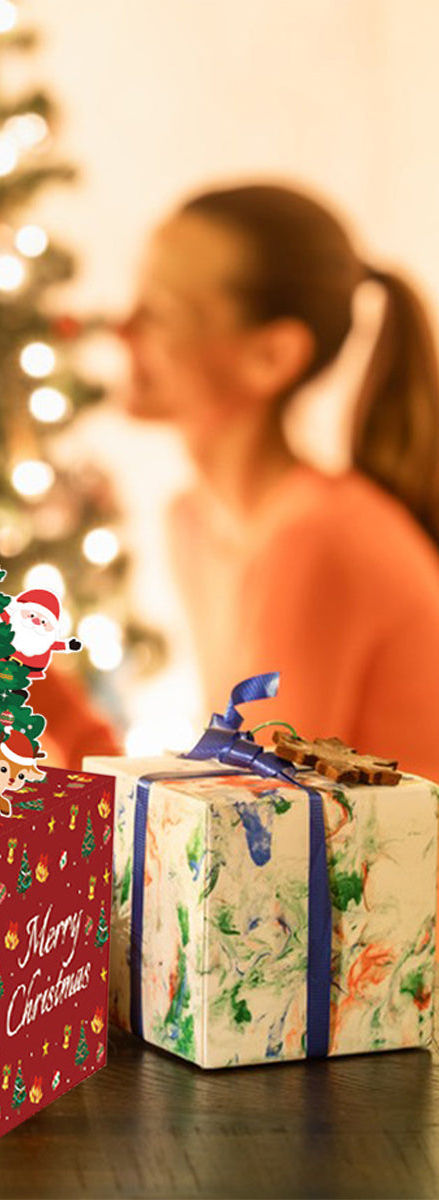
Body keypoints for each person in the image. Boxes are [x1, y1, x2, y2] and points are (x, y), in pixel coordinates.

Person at [37, 182, 439, 781]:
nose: (123, 328)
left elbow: (257, 823)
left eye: (161, 311)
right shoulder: (195, 520)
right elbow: (228, 797)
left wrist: (61, 721)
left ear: (270, 357)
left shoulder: (315, 539)